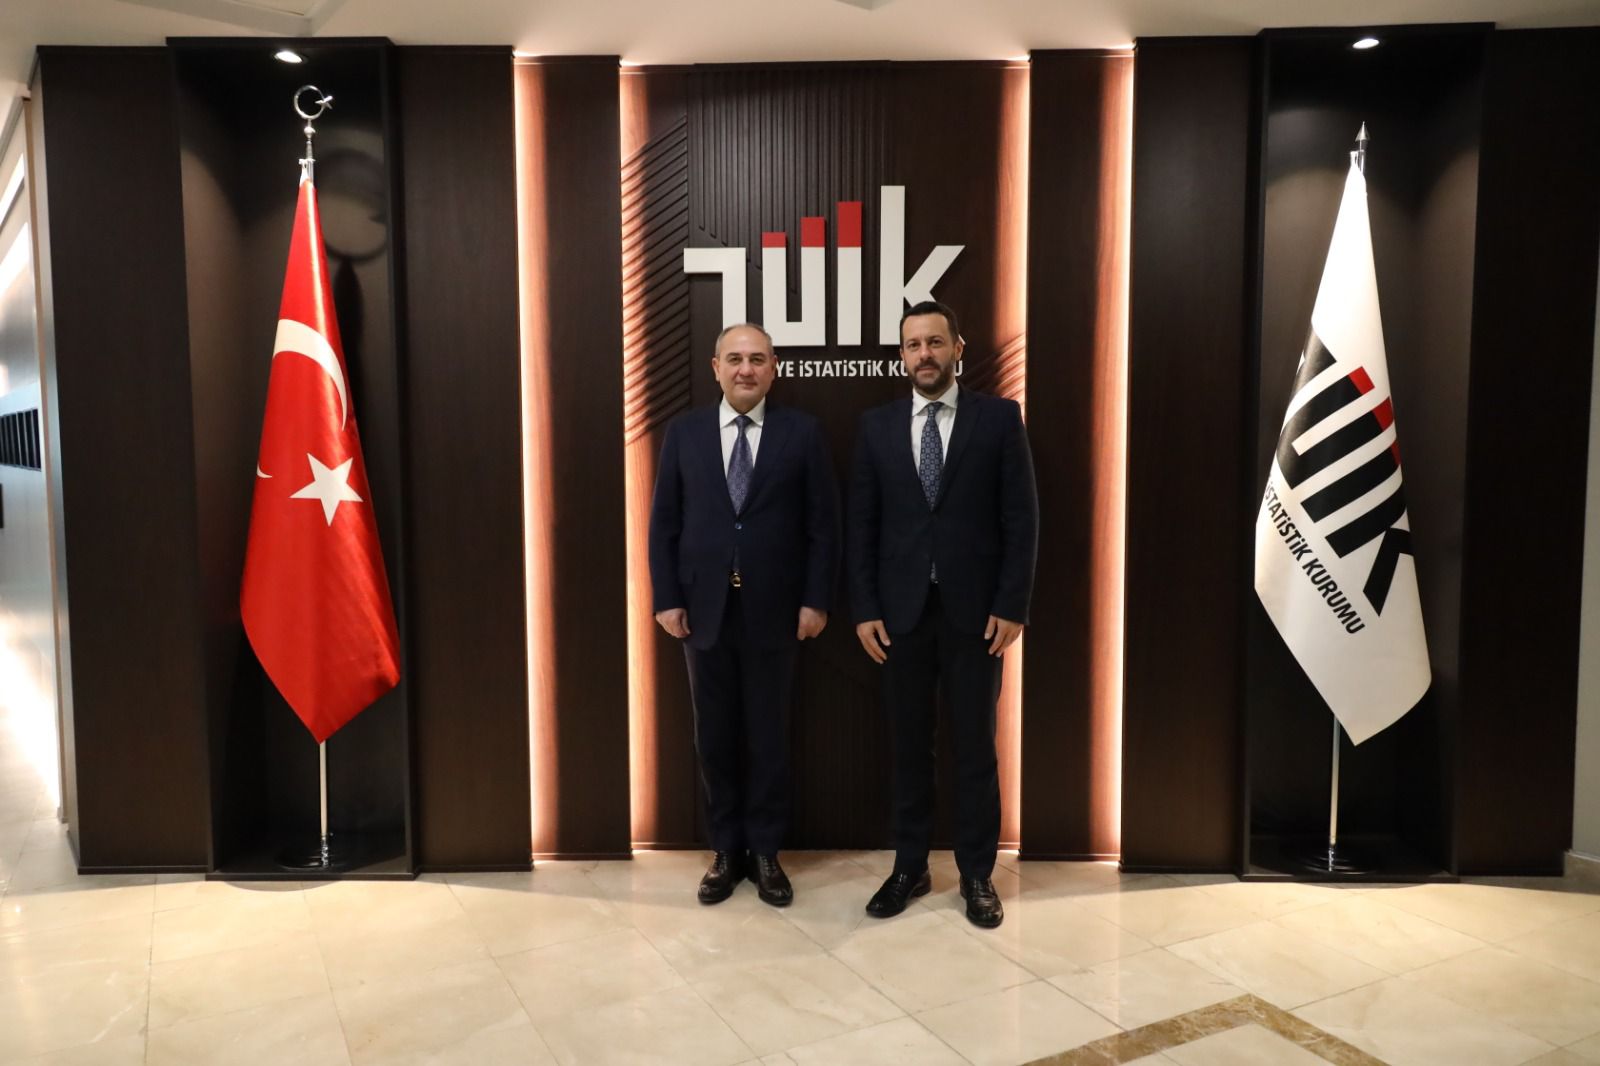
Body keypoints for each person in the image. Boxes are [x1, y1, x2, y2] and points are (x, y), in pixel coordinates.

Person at [847, 300, 1038, 928]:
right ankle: (910, 867)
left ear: (959, 347)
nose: (923, 355)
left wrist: (1012, 604)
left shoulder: (999, 419)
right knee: (909, 748)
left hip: (976, 617)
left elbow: (1021, 518)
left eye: (934, 342)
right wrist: (865, 607)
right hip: (899, 617)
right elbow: (862, 525)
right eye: (912, 345)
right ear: (901, 356)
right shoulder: (876, 426)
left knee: (976, 748)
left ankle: (978, 874)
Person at [648, 323, 840, 906]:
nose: (746, 370)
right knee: (714, 738)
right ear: (716, 368)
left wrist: (815, 599)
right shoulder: (684, 434)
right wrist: (667, 598)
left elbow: (823, 526)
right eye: (734, 359)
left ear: (774, 368)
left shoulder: (802, 433)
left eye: (757, 359)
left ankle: (765, 852)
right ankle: (725, 851)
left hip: (776, 614)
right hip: (702, 613)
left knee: (768, 737)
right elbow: (664, 524)